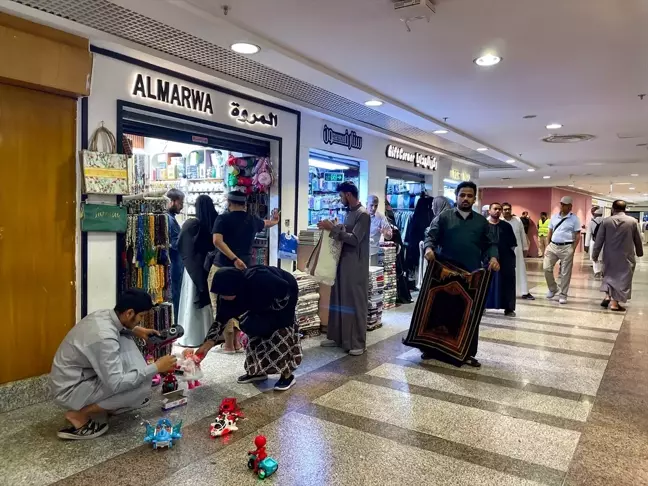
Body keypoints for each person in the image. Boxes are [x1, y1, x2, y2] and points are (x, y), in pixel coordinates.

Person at [50, 289, 178, 440]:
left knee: (126, 339)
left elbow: (120, 329)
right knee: (142, 385)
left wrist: (137, 330)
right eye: (141, 316)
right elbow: (116, 383)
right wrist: (156, 367)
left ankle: (114, 404)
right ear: (129, 313)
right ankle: (79, 415)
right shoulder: (105, 338)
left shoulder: (105, 315)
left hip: (76, 375)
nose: (140, 321)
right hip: (70, 389)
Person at [422, 181, 500, 367]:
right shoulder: (444, 217)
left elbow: (490, 244)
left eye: (469, 195)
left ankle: (467, 353)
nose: (465, 198)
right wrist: (428, 248)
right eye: (462, 195)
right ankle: (432, 349)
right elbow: (430, 236)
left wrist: (493, 258)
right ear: (456, 196)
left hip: (471, 274)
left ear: (475, 198)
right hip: (445, 273)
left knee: (469, 314)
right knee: (440, 310)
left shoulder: (481, 222)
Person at [197, 266, 302, 391]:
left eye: (225, 293)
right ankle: (257, 371)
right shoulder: (227, 296)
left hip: (284, 296)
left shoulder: (259, 279)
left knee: (280, 331)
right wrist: (205, 347)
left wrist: (269, 311)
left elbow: (284, 288)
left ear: (234, 288)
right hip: (260, 302)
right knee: (254, 329)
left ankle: (287, 375)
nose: (223, 296)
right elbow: (220, 321)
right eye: (221, 294)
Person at [207, 190, 280, 353]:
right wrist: (275, 221)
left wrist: (233, 258)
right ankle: (238, 343)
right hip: (245, 268)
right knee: (240, 303)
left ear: (229, 202)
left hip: (223, 267)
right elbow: (265, 223)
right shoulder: (251, 220)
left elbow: (217, 241)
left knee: (221, 304)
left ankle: (228, 345)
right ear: (244, 204)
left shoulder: (223, 218)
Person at [317, 181, 371, 356]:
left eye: (341, 196)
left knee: (354, 302)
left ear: (348, 195)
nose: (340, 200)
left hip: (355, 265)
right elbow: (346, 232)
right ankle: (338, 337)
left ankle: (357, 342)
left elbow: (355, 239)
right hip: (343, 262)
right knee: (339, 298)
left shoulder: (363, 215)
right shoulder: (350, 213)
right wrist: (335, 227)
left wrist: (332, 228)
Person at [177, 195, 218, 347]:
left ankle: (192, 336)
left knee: (191, 301)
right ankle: (209, 334)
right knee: (208, 299)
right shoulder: (215, 222)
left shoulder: (192, 224)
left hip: (192, 267)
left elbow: (182, 245)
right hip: (208, 267)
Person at [592, 200, 644, 312]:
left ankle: (607, 296)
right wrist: (640, 252)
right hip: (626, 256)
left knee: (608, 276)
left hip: (609, 255)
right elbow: (638, 239)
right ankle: (615, 304)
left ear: (612, 209)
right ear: (625, 209)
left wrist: (595, 255)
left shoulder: (606, 222)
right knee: (622, 278)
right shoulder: (633, 222)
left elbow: (599, 240)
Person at [544, 196, 581, 304]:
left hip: (567, 247)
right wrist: (547, 245)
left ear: (570, 206)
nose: (562, 206)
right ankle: (553, 288)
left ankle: (563, 294)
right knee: (546, 268)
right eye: (561, 204)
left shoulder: (574, 219)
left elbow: (577, 235)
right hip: (553, 246)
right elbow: (549, 232)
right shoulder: (554, 217)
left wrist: (572, 249)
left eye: (564, 205)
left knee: (565, 273)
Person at [485, 203, 517, 316]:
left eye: (499, 209)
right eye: (495, 209)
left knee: (508, 282)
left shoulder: (506, 226)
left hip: (506, 258)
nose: (497, 211)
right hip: (487, 259)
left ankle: (509, 308)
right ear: (489, 211)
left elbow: (513, 244)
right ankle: (482, 306)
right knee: (484, 282)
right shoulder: (484, 225)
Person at [501, 202, 534, 300]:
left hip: (517, 250)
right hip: (504, 251)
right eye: (505, 209)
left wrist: (525, 248)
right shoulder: (499, 221)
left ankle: (524, 292)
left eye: (508, 209)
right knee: (505, 272)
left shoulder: (517, 220)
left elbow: (522, 235)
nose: (507, 211)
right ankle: (504, 292)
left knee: (520, 270)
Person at [166, 188, 185, 324]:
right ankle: (177, 323)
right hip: (174, 262)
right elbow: (174, 244)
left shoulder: (170, 219)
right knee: (176, 292)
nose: (182, 206)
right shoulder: (169, 220)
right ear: (172, 202)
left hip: (176, 262)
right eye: (180, 203)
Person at [367, 195, 393, 266]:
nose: (373, 208)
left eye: (376, 206)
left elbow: (389, 236)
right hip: (360, 253)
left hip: (373, 253)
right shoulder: (361, 215)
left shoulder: (381, 218)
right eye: (371, 205)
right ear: (367, 203)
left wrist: (385, 233)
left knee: (372, 275)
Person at [585, 207, 604, 278]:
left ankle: (596, 271)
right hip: (604, 243)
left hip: (594, 242)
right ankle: (602, 270)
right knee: (602, 258)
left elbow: (588, 234)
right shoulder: (606, 222)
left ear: (595, 214)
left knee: (595, 257)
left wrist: (586, 245)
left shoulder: (591, 222)